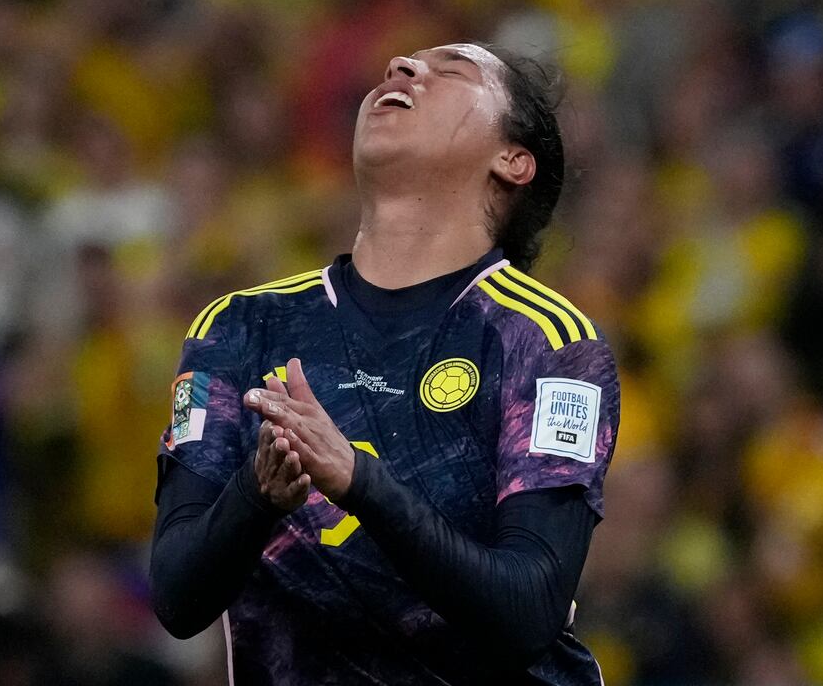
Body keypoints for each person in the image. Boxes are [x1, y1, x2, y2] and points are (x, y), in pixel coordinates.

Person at [150, 43, 619, 685]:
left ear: (512, 161)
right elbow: (178, 598)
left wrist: (356, 481)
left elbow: (527, 612)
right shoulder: (238, 328)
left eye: (450, 70)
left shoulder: (547, 342)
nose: (402, 66)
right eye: (402, 63)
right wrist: (258, 492)